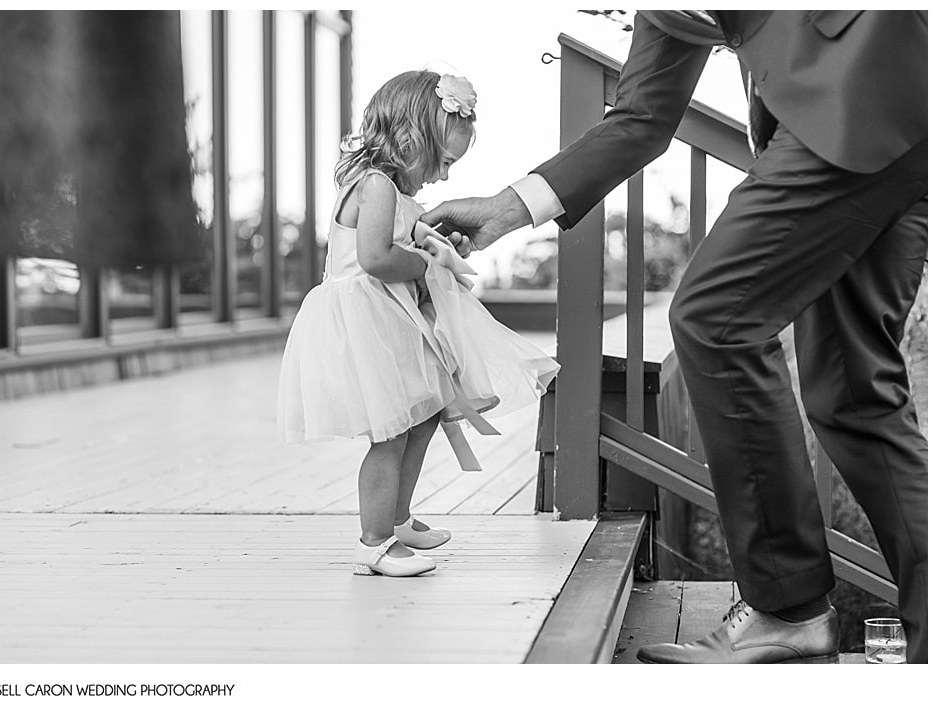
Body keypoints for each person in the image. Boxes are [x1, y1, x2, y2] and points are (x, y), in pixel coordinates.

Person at [422, 11, 927, 662]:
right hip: (883, 119)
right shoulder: (663, 12)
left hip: (861, 80)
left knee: (716, 317)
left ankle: (786, 603)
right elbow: (640, 117)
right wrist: (503, 209)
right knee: (853, 393)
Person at [277, 70, 559, 578]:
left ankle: (398, 517)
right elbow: (376, 258)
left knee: (425, 414)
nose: (445, 177)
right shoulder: (377, 186)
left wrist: (431, 245)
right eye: (444, 161)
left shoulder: (396, 193)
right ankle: (374, 542)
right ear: (411, 138)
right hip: (369, 322)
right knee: (390, 434)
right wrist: (424, 264)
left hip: (392, 317)